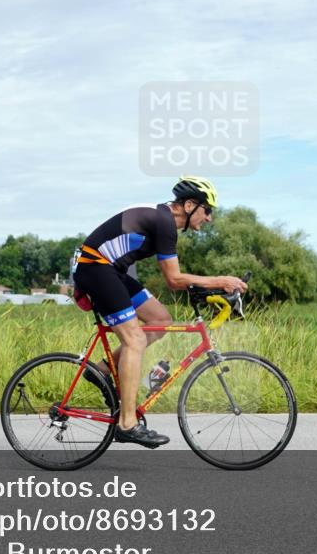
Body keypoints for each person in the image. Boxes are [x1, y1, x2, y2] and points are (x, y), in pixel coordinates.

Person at [71, 176, 248, 448]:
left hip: (112, 271)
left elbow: (176, 280)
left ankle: (100, 370)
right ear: (189, 205)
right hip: (95, 269)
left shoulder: (163, 220)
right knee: (135, 340)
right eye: (207, 210)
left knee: (160, 320)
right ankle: (127, 424)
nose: (209, 218)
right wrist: (220, 280)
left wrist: (208, 289)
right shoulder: (164, 221)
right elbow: (174, 280)